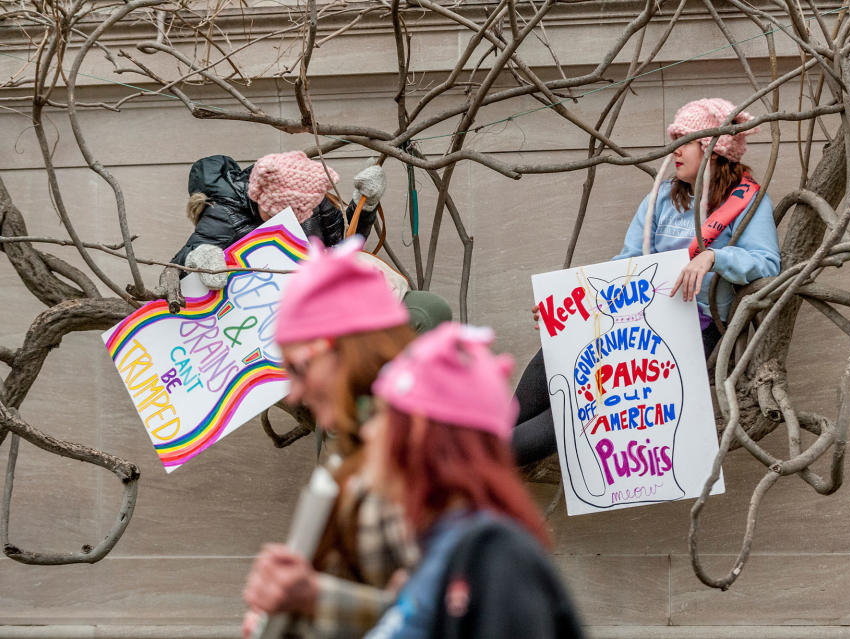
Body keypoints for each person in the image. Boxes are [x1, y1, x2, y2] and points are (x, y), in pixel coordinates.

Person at [244, 322, 585, 639]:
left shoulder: (492, 555)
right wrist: (309, 604)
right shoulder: (445, 549)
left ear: (417, 432)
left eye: (380, 415)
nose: (368, 430)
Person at [512, 97, 781, 465]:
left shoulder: (748, 202)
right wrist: (569, 307)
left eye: (684, 142)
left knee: (576, 413)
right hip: (632, 316)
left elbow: (767, 264)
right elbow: (626, 264)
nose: (675, 151)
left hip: (687, 331)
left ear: (713, 150)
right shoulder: (660, 201)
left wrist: (715, 256)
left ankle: (468, 461)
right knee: (554, 355)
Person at [240, 239, 423, 638]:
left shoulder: (412, 459)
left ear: (342, 351)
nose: (294, 394)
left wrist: (311, 600)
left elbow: (448, 616)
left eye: (299, 367)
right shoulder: (356, 457)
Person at [170, 151, 450, 333]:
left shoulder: (310, 200)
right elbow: (175, 268)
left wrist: (364, 206)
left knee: (430, 311)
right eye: (298, 212)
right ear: (270, 206)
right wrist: (200, 258)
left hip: (331, 306)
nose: (307, 215)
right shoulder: (224, 214)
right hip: (273, 327)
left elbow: (345, 246)